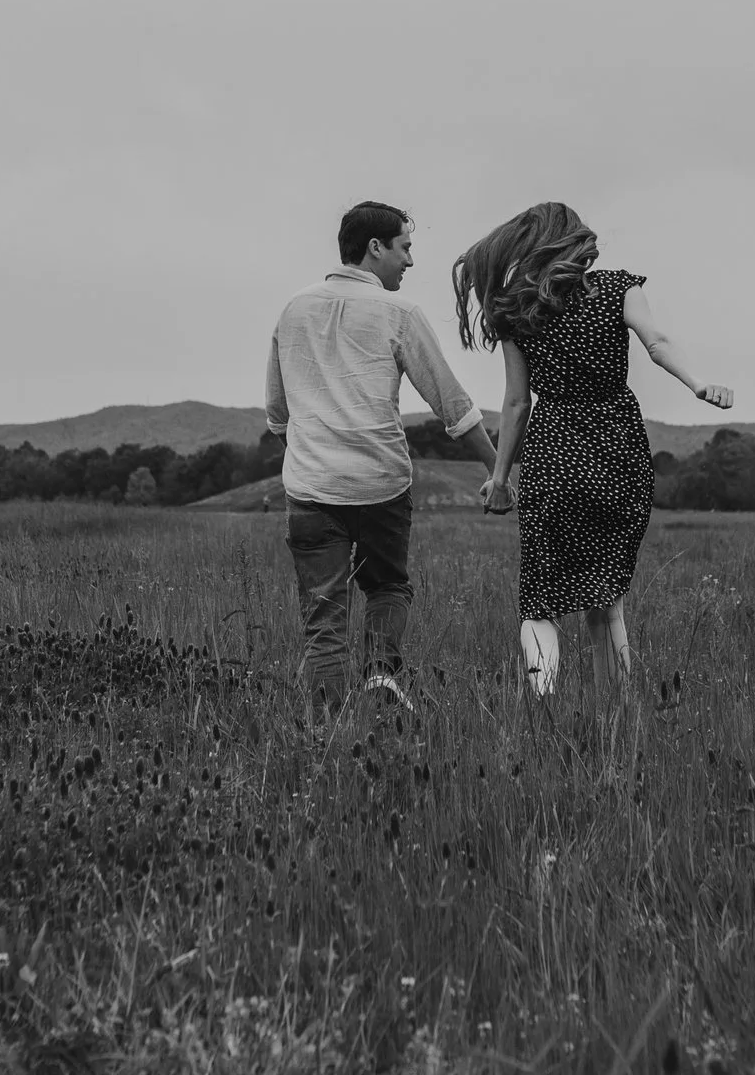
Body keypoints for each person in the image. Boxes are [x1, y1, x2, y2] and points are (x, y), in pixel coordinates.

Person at [452, 203, 731, 698]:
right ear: (574, 239)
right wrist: (697, 383)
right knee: (606, 599)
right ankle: (615, 717)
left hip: (554, 454)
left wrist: (500, 478)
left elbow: (517, 404)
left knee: (541, 599)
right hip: (617, 451)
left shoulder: (518, 309)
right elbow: (657, 341)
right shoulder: (619, 288)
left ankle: (542, 704)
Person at [265, 201, 499, 714]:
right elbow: (452, 403)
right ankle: (380, 678)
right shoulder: (400, 314)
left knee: (323, 619)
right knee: (388, 586)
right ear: (375, 247)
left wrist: (312, 462)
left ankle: (325, 729)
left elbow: (279, 416)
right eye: (405, 248)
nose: (410, 261)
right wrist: (497, 469)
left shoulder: (293, 310)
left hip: (310, 491)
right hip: (381, 487)